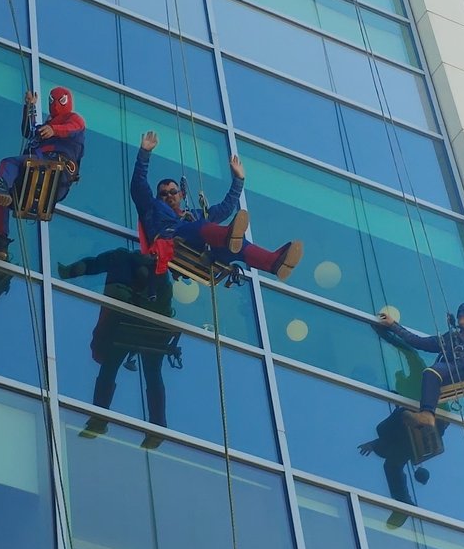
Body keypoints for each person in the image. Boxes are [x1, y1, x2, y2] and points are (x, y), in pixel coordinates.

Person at [130, 131, 303, 280]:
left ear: (181, 195)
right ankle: (227, 235)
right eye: (163, 194)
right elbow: (139, 185)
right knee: (204, 226)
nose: (169, 196)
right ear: (158, 197)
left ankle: (273, 263)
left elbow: (225, 208)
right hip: (173, 238)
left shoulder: (196, 214)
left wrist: (239, 180)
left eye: (173, 192)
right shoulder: (152, 208)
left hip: (206, 252)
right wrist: (144, 154)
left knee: (238, 245)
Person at [58, 247, 178, 445]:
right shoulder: (157, 269)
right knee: (151, 372)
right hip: (149, 328)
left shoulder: (121, 257)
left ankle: (100, 418)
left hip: (128, 323)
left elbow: (93, 264)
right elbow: (162, 302)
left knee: (111, 368)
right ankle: (157, 426)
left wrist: (70, 272)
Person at [376, 277, 464, 427]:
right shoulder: (449, 337)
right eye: (460, 313)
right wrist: (393, 326)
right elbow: (417, 341)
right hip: (453, 370)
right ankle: (427, 415)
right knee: (431, 371)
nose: (461, 315)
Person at [0, 87, 86, 256]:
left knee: (8, 164)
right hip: (39, 175)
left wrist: (54, 130)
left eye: (61, 100)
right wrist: (29, 107)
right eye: (52, 101)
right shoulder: (45, 127)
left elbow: (74, 127)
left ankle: (1, 186)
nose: (56, 105)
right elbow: (28, 131)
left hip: (56, 170)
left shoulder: (73, 120)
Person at [359, 406, 449, 529]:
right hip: (416, 427)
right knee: (391, 463)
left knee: (391, 461)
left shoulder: (388, 433)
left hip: (416, 422)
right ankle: (403, 501)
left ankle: (403, 501)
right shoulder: (394, 442)